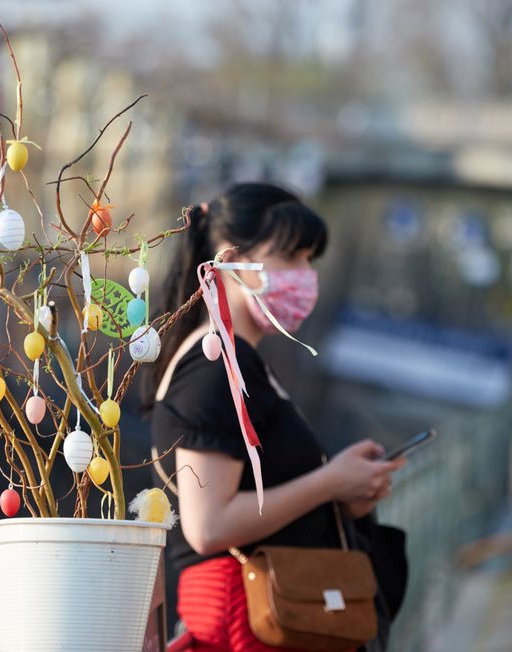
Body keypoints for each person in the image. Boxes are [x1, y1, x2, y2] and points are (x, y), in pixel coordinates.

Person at [150, 183, 406, 652]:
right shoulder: (214, 366)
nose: (305, 275)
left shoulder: (240, 362)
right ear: (231, 258)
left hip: (273, 618)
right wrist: (330, 481)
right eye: (291, 258)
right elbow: (209, 526)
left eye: (309, 260)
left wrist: (344, 492)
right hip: (246, 626)